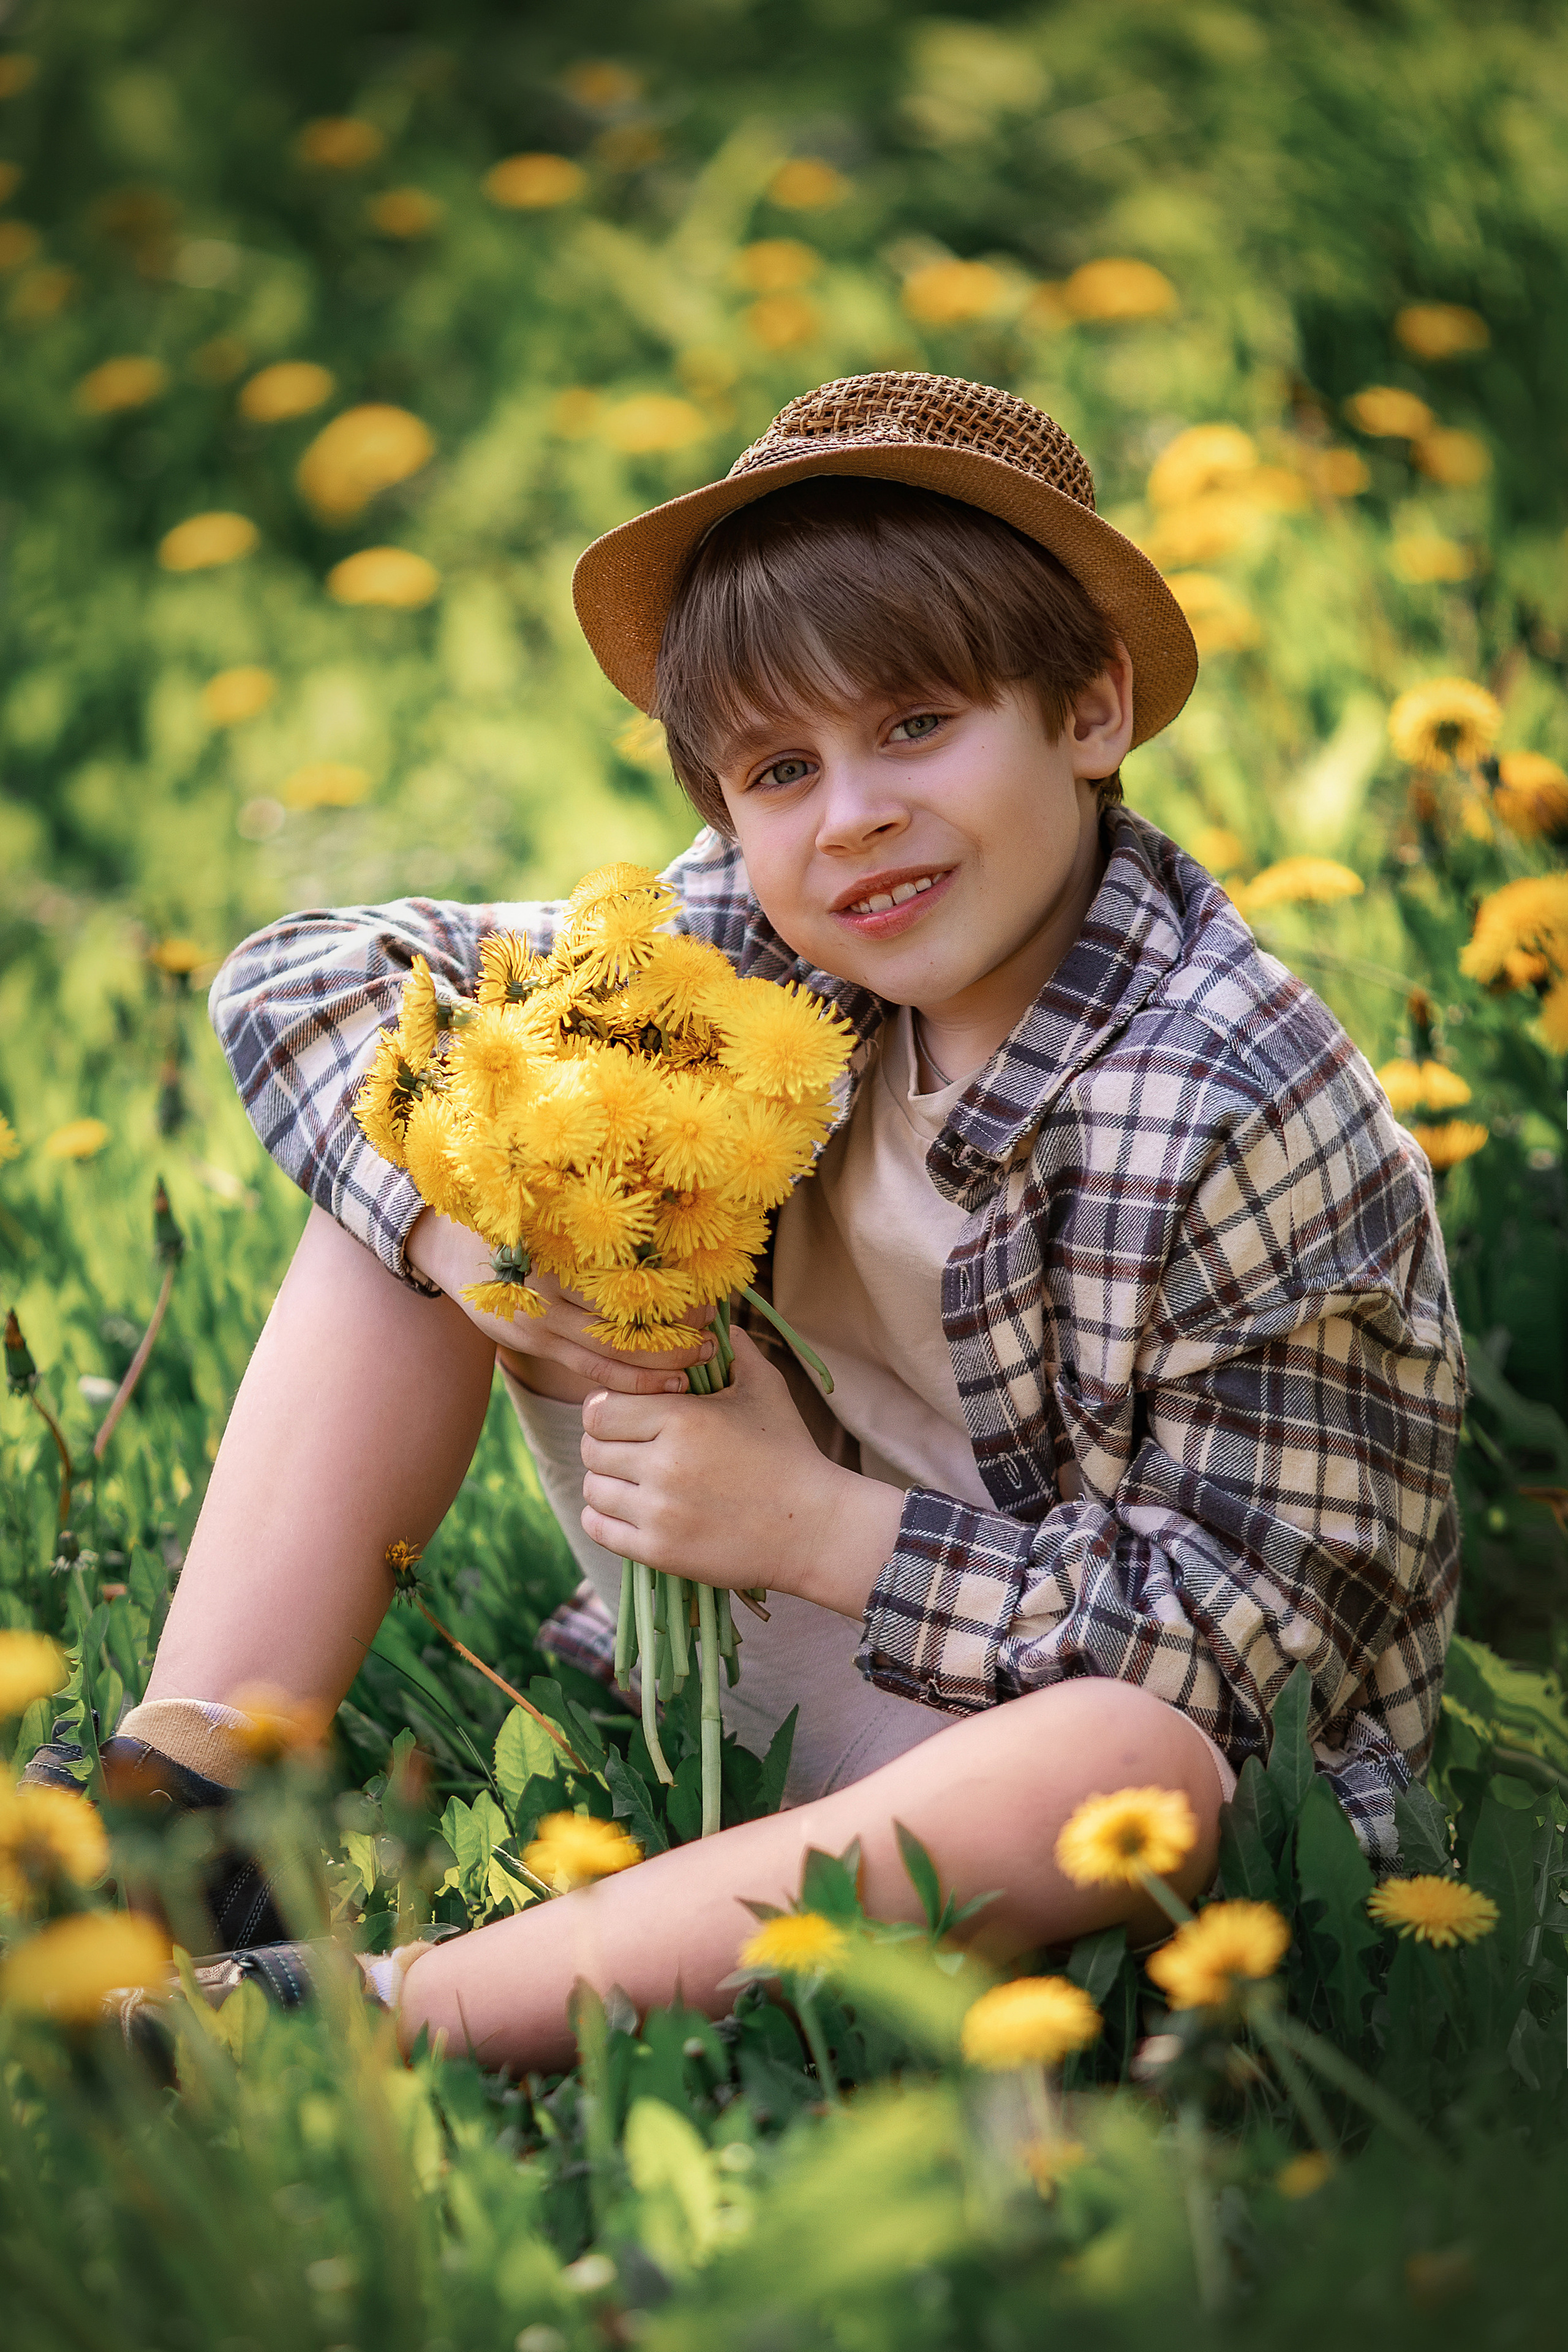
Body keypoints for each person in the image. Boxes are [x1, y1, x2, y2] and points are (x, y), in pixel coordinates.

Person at [31, 373, 1464, 2071]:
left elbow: (1262, 1660)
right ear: (724, 813)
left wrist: (811, 1526)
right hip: (758, 1610)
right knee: (442, 1124)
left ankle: (368, 2020)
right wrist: (476, 1253)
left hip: (1071, 1751)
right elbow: (307, 982)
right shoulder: (764, 935)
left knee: (1129, 1764)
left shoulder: (1235, 1095)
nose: (851, 812)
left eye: (917, 725)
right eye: (782, 767)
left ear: (1090, 712)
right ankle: (196, 1799)